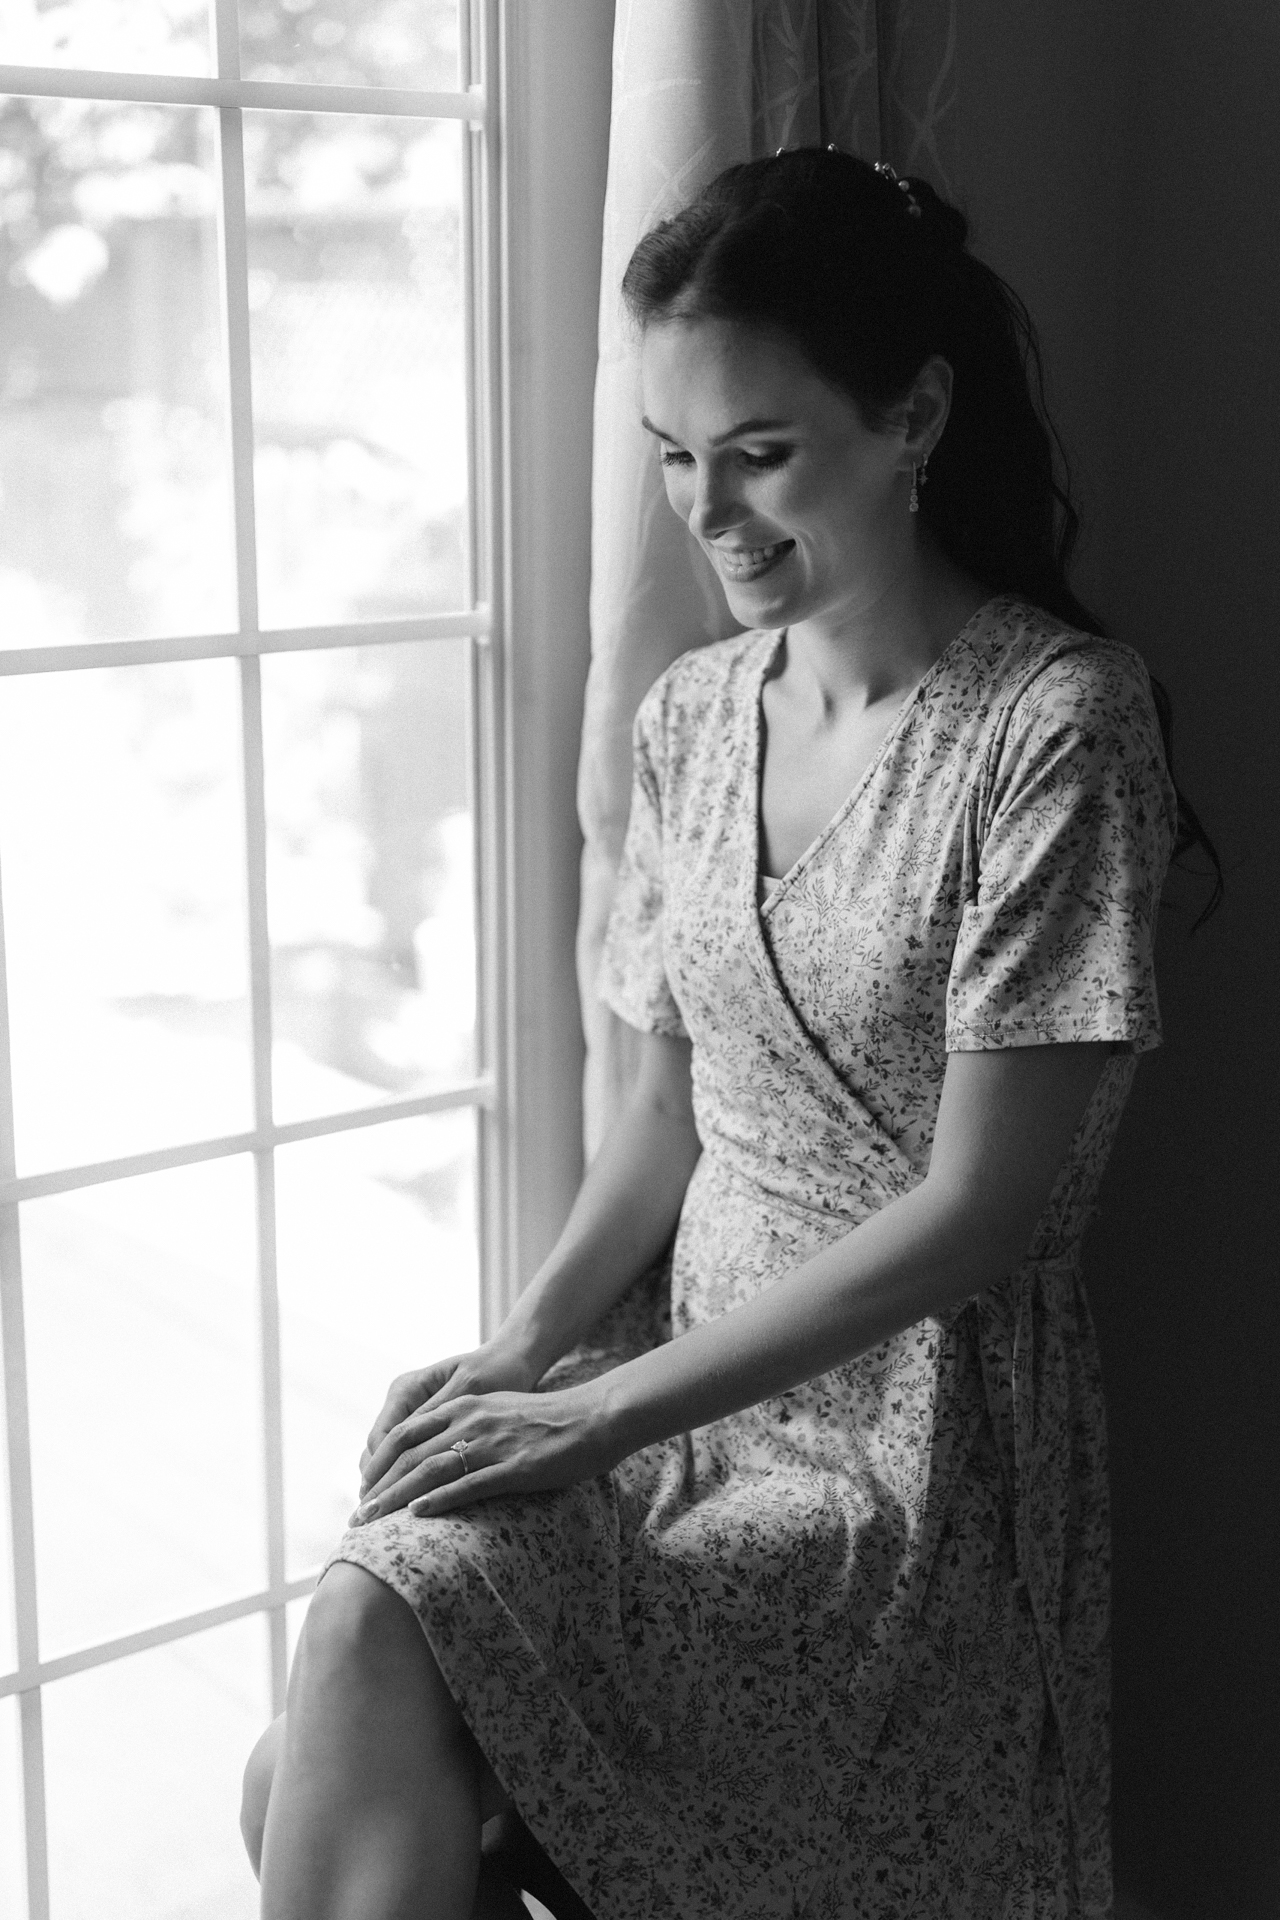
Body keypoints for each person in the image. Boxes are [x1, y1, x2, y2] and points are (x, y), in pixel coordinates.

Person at [240, 148, 1206, 1919]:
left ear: (914, 416)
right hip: (677, 1387)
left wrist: (595, 1418)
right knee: (336, 1708)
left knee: (375, 1659)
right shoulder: (693, 714)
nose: (713, 514)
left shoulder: (1056, 728)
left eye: (762, 453)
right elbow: (672, 1105)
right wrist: (528, 1349)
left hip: (913, 1466)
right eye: (674, 459)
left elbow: (984, 1212)